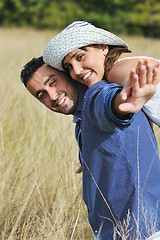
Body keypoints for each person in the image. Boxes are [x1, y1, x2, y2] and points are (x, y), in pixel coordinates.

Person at [20, 56, 160, 239]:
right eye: (42, 94)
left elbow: (108, 104)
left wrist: (121, 103)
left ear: (69, 75)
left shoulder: (97, 95)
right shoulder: (82, 118)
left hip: (143, 231)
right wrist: (89, 157)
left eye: (53, 82)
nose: (52, 96)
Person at [43, 21, 160, 126]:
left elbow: (126, 74)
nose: (76, 71)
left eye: (80, 57)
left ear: (103, 47)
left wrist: (130, 86)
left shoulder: (115, 69)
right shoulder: (121, 61)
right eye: (69, 67)